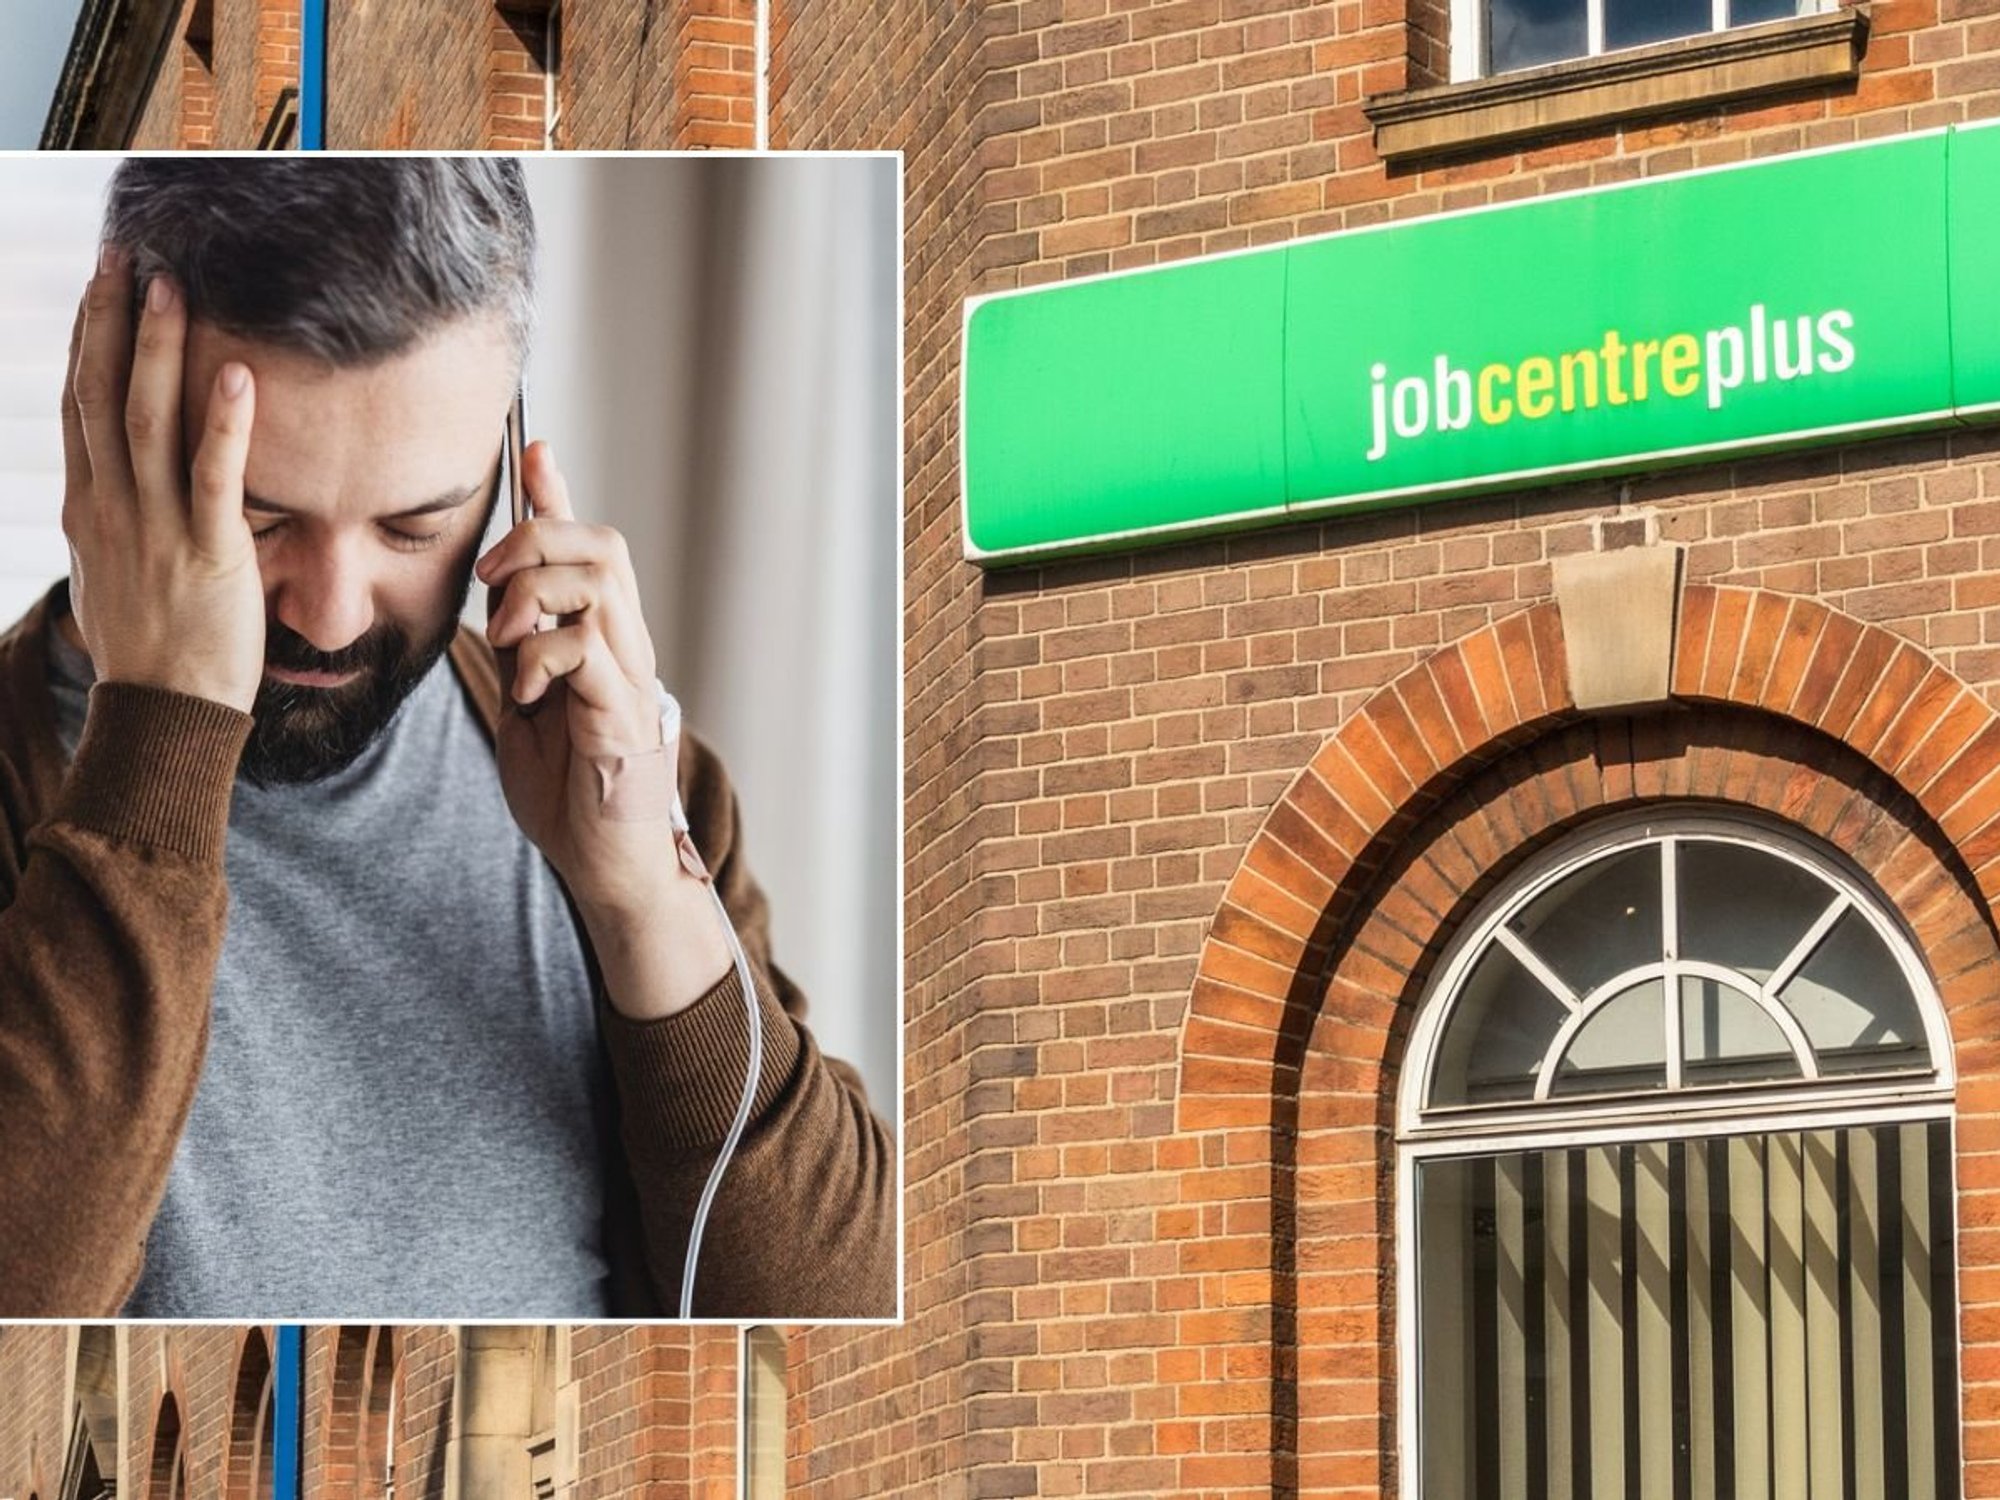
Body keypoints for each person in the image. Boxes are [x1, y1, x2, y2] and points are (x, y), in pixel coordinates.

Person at [0, 158, 895, 1319]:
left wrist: (642, 899)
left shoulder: (624, 783)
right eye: (258, 517)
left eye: (415, 526)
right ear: (107, 413)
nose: (332, 611)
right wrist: (162, 735)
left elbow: (846, 1346)